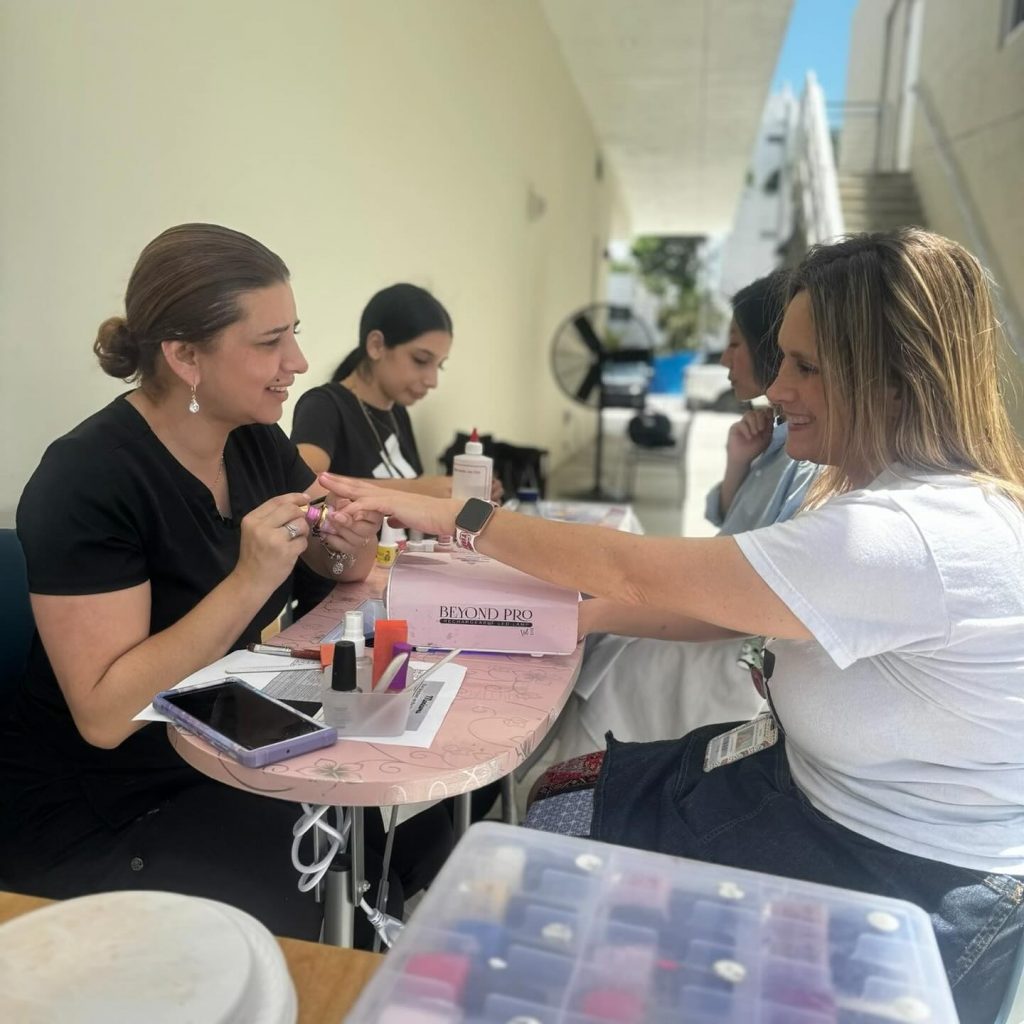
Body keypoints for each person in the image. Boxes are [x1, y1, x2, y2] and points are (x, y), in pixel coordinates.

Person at [318, 229, 1024, 1021]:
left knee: (554, 833)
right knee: (558, 793)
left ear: (894, 382)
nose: (772, 386)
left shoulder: (902, 536)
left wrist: (461, 516)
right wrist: (569, 617)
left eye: (805, 367)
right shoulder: (910, 507)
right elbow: (715, 605)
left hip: (895, 874)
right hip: (806, 795)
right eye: (779, 359)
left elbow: (632, 568)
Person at [0, 224, 451, 944]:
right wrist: (249, 579)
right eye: (271, 342)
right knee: (316, 887)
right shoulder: (86, 479)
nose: (299, 362)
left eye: (295, 335)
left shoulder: (254, 437)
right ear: (184, 356)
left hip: (218, 740)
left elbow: (347, 567)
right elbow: (105, 716)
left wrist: (348, 542)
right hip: (103, 802)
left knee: (364, 842)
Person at [554, 270, 819, 765]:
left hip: (732, 641)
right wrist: (738, 460)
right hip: (719, 607)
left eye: (736, 343)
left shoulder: (808, 460)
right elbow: (729, 523)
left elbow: (749, 588)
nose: (724, 359)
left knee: (606, 644)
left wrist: (607, 608)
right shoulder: (775, 438)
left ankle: (579, 783)